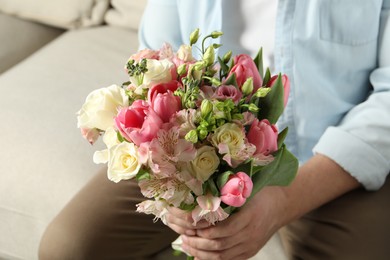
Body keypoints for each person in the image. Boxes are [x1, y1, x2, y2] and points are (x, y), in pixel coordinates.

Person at [39, 0, 390, 259]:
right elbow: (159, 63)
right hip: (197, 146)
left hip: (333, 155)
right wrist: (176, 188)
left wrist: (283, 202)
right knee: (67, 248)